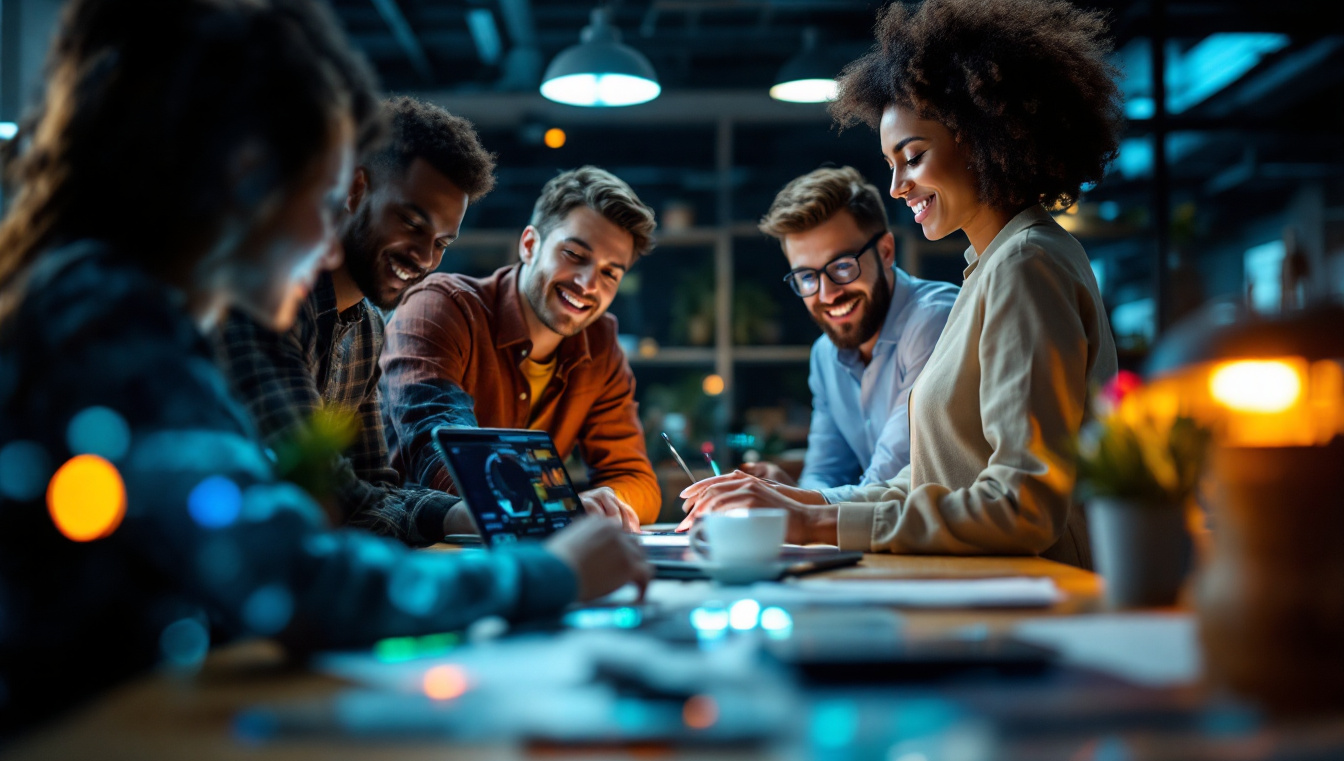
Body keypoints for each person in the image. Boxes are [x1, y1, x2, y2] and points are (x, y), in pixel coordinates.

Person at [0, 0, 648, 734]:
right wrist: (549, 575)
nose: (330, 242)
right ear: (245, 176)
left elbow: (347, 506)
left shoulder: (105, 297)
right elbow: (291, 576)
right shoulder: (107, 313)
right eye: (326, 196)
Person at [680, 0, 1121, 569]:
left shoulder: (1026, 264)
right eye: (891, 163)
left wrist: (814, 519)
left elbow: (1022, 507)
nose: (896, 186)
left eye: (911, 157)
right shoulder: (992, 267)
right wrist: (797, 501)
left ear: (984, 137)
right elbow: (934, 479)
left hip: (1042, 599)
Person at [217, 96, 494, 547]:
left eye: (442, 242)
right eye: (410, 222)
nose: (425, 258)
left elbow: (370, 484)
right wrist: (451, 517)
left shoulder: (367, 328)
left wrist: (464, 513)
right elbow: (318, 488)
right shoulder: (268, 302)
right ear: (354, 189)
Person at [381, 167, 662, 531]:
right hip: (423, 551)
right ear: (529, 245)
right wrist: (564, 507)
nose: (587, 283)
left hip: (526, 551)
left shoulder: (600, 344)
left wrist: (597, 505)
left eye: (610, 273)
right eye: (575, 254)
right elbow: (444, 455)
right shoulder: (441, 308)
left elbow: (636, 480)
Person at [743, 166, 956, 501]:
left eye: (842, 266)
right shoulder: (825, 355)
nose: (827, 295)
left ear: (885, 251)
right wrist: (790, 493)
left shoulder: (934, 320)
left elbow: (891, 483)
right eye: (807, 277)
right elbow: (825, 473)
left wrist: (797, 501)